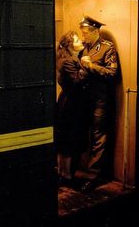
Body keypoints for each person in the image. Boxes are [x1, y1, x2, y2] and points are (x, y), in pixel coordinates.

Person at [79, 16, 118, 191]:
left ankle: (92, 176)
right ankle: (78, 171)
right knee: (83, 135)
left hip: (100, 100)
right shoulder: (82, 46)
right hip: (84, 99)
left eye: (86, 32)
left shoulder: (107, 48)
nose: (83, 35)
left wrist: (90, 66)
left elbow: (112, 73)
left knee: (98, 137)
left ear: (95, 31)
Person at [55, 30, 89, 186]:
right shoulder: (69, 61)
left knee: (65, 140)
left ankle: (63, 173)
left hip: (67, 102)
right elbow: (76, 81)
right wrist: (86, 66)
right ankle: (67, 176)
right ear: (69, 45)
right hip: (71, 104)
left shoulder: (67, 58)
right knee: (70, 140)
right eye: (76, 39)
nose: (81, 40)